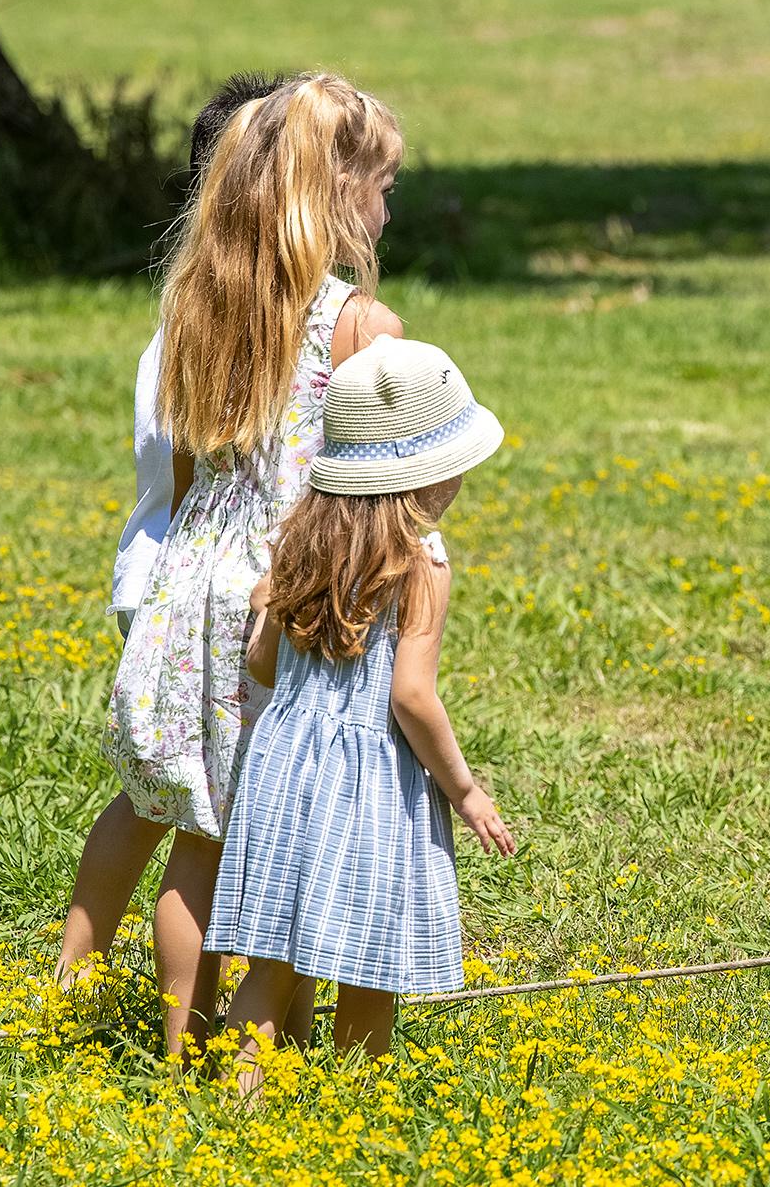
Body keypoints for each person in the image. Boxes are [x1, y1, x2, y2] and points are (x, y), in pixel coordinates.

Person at [104, 72, 406, 1056]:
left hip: (198, 585)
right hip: (296, 598)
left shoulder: (203, 299)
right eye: (381, 181)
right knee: (298, 843)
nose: (388, 202)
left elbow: (188, 464)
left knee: (202, 838)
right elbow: (379, 482)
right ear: (337, 189)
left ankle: (180, 1052)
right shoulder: (361, 323)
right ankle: (264, 1062)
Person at [212, 337, 516, 1093]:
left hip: (282, 764)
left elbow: (261, 665)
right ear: (436, 472)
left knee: (273, 957)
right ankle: (358, 1104)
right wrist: (466, 790)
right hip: (369, 780)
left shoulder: (297, 539)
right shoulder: (422, 564)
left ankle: (233, 1101)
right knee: (370, 962)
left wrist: (265, 619)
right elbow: (410, 696)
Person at [54, 72, 284, 989]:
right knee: (203, 817)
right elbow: (204, 475)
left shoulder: (186, 306)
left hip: (151, 576)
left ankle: (78, 970)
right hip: (186, 589)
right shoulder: (220, 321)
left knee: (151, 800)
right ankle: (176, 1007)